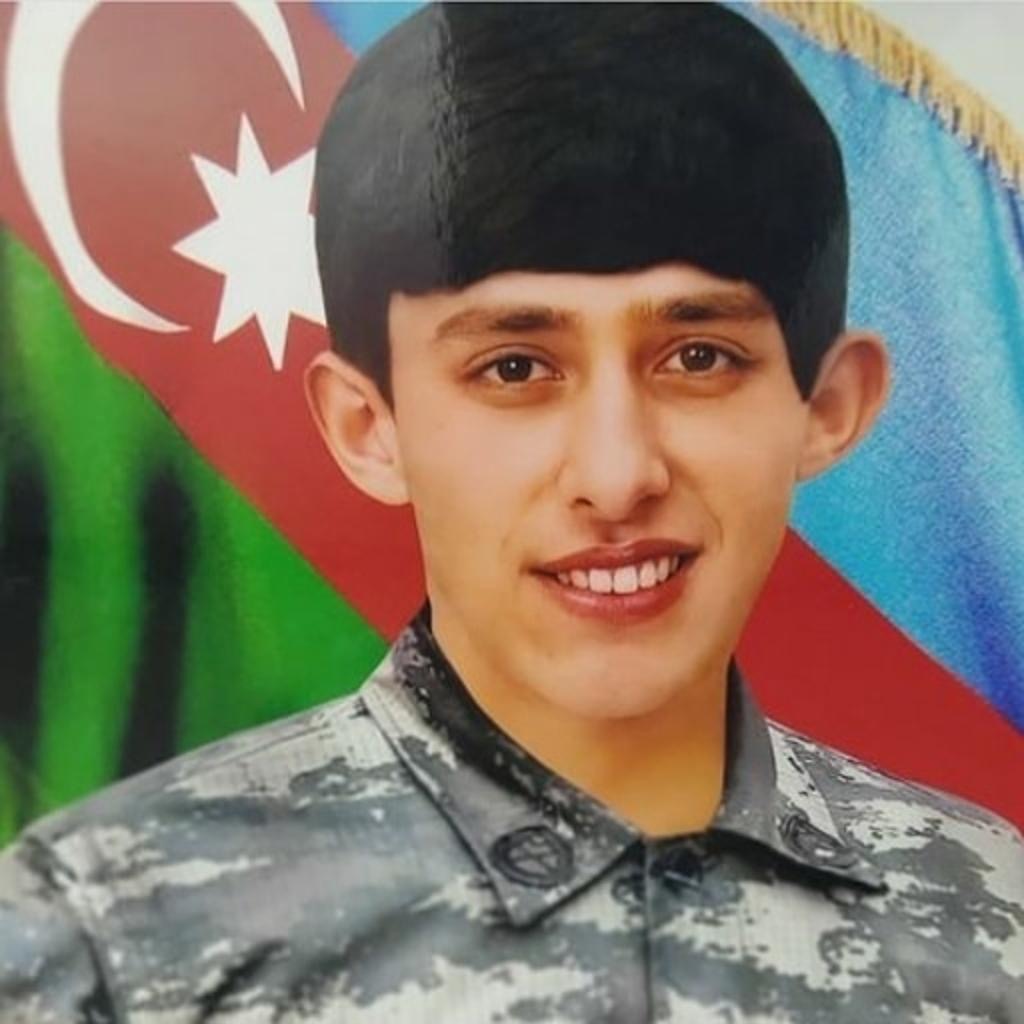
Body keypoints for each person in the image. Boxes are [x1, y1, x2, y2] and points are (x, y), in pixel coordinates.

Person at [1, 4, 1021, 1022]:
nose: (617, 476)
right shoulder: (108, 941)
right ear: (368, 426)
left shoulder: (993, 915)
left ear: (829, 406)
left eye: (698, 357)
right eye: (515, 368)